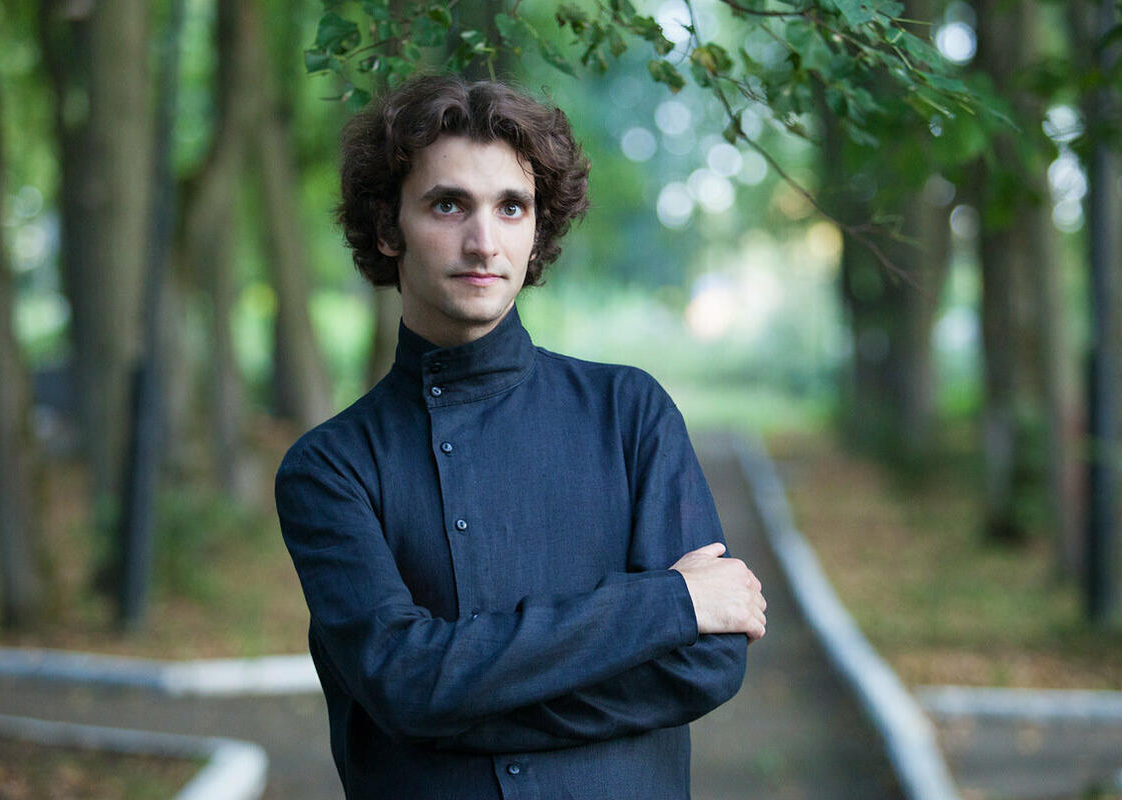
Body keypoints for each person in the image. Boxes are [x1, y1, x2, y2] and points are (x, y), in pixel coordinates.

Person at [275, 74, 767, 800]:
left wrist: (452, 701)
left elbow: (707, 662)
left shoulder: (630, 413)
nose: (483, 243)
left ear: (537, 229)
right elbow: (403, 682)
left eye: (511, 207)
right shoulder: (330, 468)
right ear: (387, 227)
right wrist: (668, 604)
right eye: (448, 205)